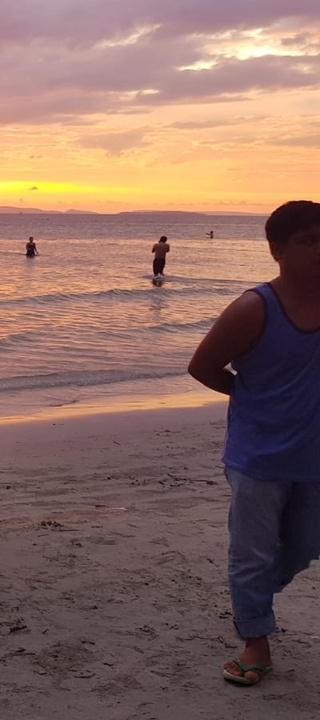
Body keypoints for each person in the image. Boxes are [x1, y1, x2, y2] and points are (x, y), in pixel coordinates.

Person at [187, 200, 320, 687]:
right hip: (258, 457)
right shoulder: (254, 308)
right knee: (251, 554)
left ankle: (255, 594)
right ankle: (255, 641)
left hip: (315, 456)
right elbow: (202, 367)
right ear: (277, 250)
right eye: (309, 241)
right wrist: (251, 397)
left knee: (305, 546)